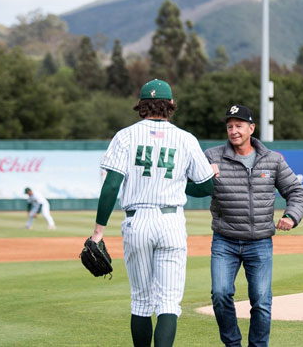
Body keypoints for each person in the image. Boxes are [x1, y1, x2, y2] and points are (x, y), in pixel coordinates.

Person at [89, 79, 216, 347]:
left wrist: (99, 231)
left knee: (142, 301)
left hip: (137, 221)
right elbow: (207, 186)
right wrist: (184, 185)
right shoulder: (185, 138)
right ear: (171, 106)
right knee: (168, 302)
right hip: (171, 221)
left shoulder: (125, 136)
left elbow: (112, 185)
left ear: (141, 106)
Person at [202, 104, 303, 347]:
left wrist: (291, 216)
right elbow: (190, 184)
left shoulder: (272, 160)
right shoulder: (212, 157)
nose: (233, 130)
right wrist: (202, 176)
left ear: (251, 128)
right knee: (220, 295)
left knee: (261, 301)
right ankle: (233, 344)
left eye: (239, 125)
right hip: (224, 240)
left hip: (259, 242)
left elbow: (296, 191)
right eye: (229, 126)